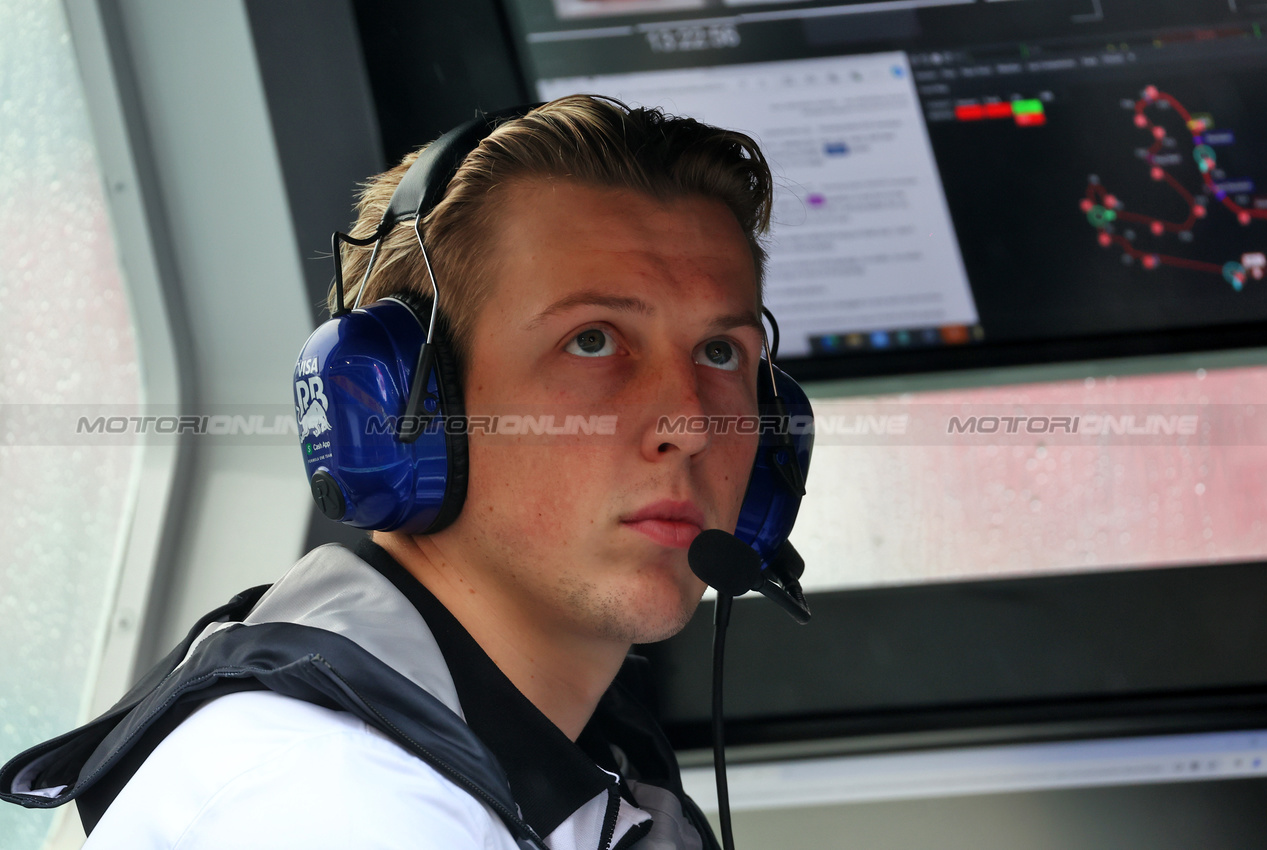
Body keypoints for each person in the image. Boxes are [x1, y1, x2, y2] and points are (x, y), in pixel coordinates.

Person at [1, 95, 775, 849]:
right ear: (401, 409)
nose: (691, 424)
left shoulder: (563, 771)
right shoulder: (330, 800)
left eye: (719, 353)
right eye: (594, 341)